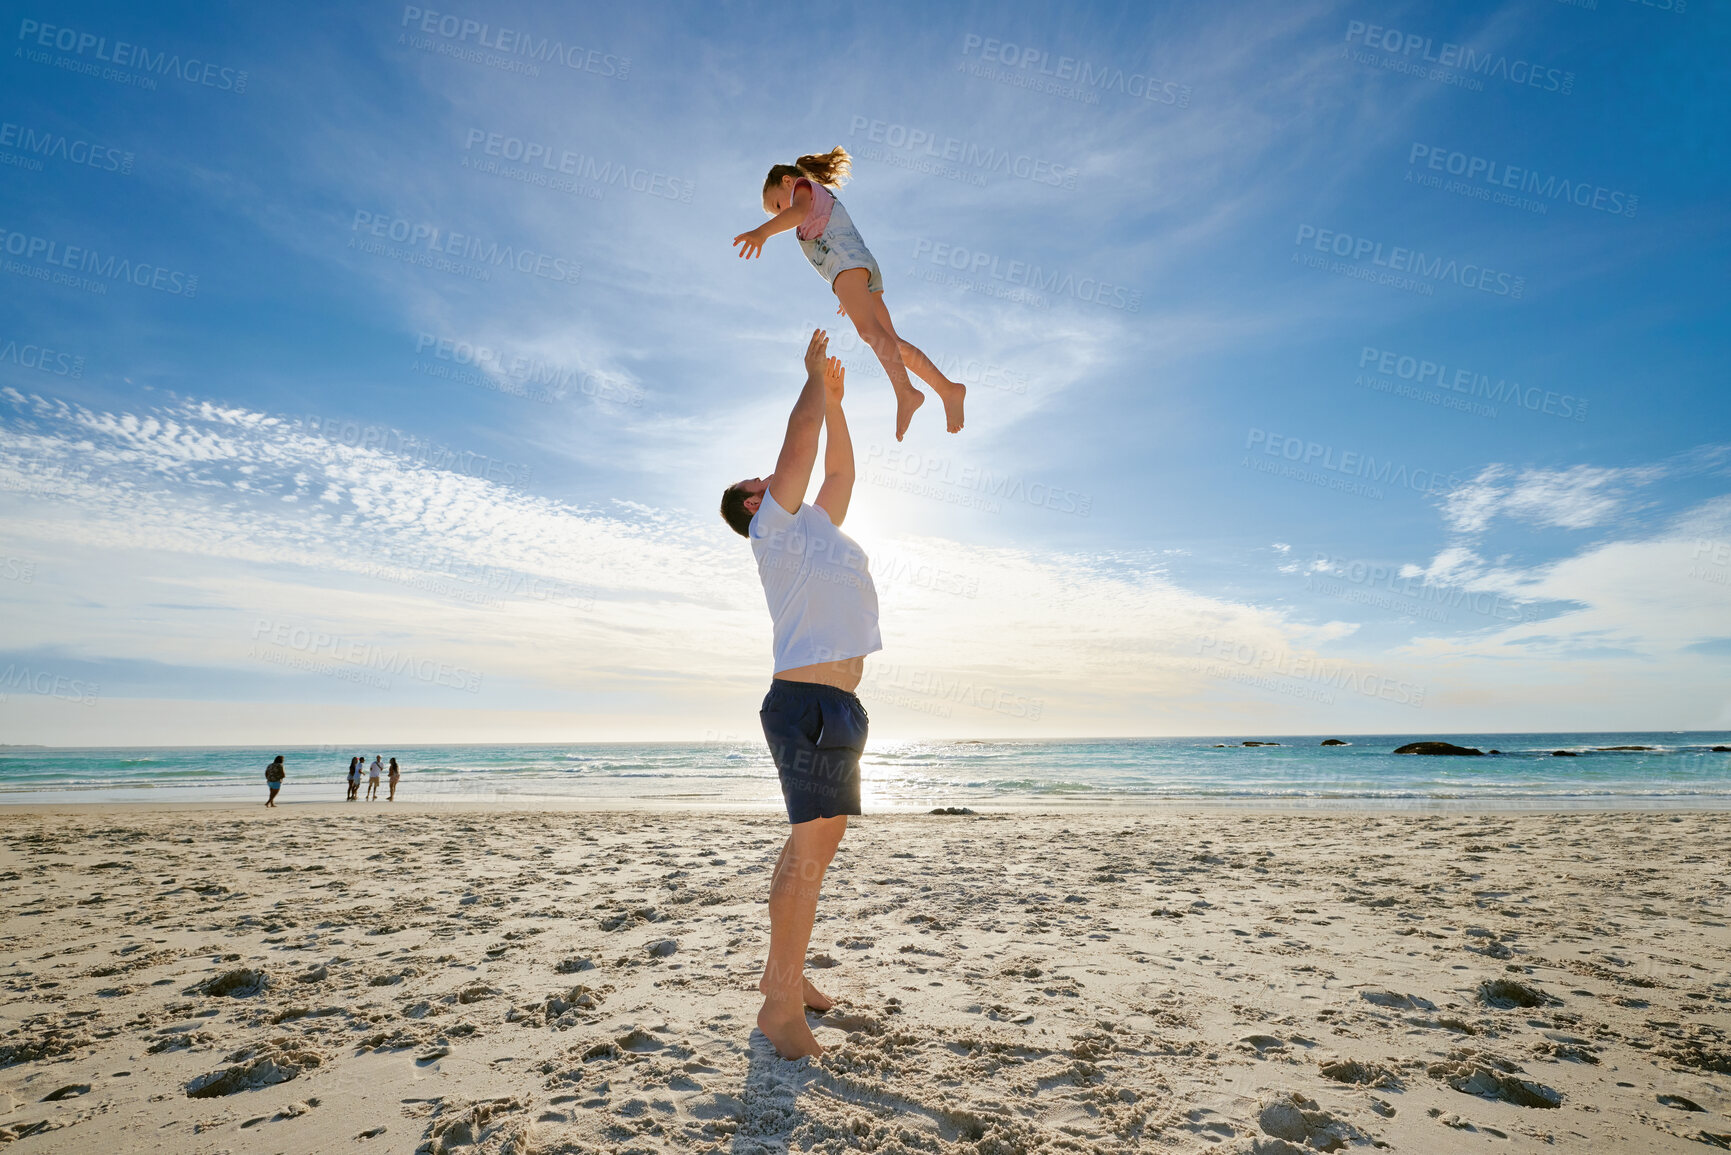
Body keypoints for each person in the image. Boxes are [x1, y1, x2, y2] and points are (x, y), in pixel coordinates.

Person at [718, 329, 879, 1060]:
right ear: (755, 504)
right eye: (766, 482)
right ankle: (780, 1009)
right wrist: (812, 379)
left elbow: (837, 467)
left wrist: (838, 400)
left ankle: (783, 974)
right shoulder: (774, 531)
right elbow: (802, 443)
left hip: (834, 707)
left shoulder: (812, 527)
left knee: (811, 848)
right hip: (809, 704)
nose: (777, 481)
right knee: (808, 856)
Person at [732, 147, 965, 442]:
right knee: (891, 341)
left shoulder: (803, 191)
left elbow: (801, 214)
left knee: (870, 332)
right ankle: (947, 389)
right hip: (857, 266)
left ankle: (905, 392)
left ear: (788, 182)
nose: (782, 213)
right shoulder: (815, 203)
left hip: (848, 263)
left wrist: (762, 232)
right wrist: (847, 290)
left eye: (777, 205)